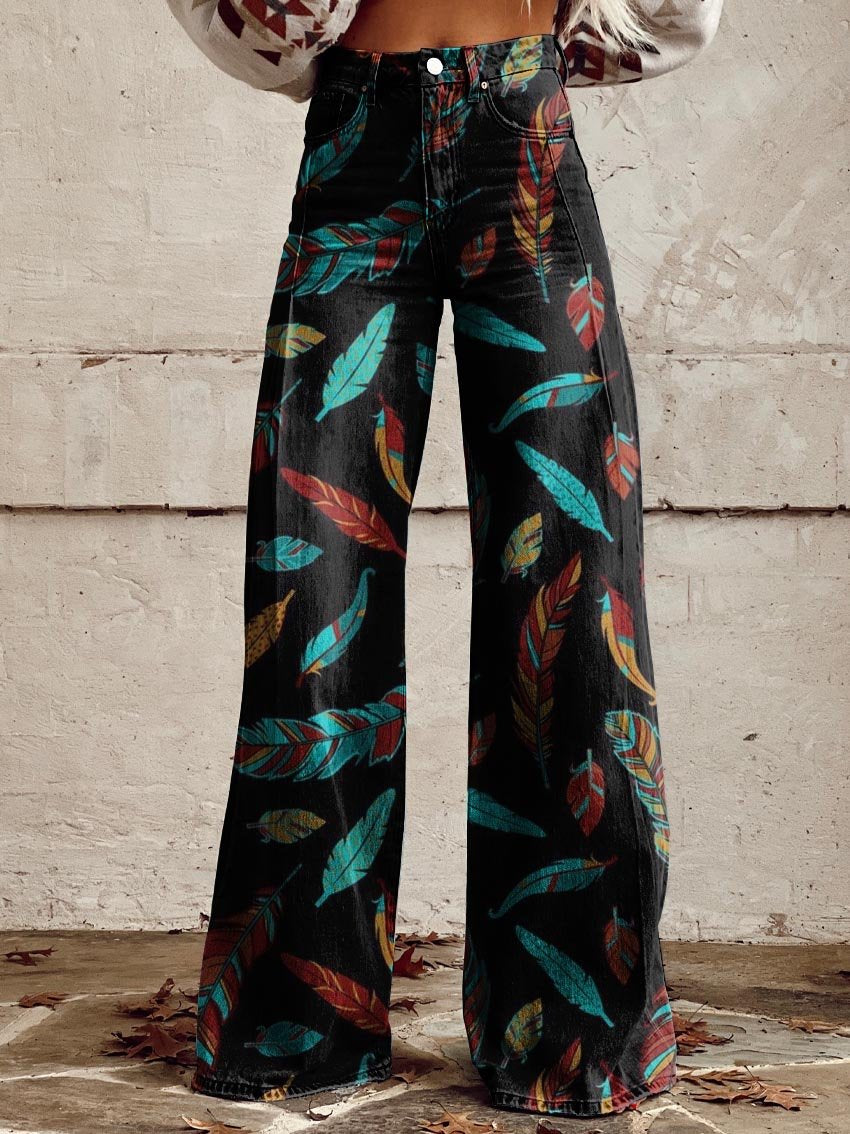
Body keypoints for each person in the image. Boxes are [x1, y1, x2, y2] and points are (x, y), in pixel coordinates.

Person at [164, 0, 722, 1118]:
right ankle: (299, 1026)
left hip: (523, 141)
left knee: (571, 596)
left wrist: (548, 52)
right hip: (356, 147)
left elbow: (680, 13)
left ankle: (571, 1037)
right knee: (311, 590)